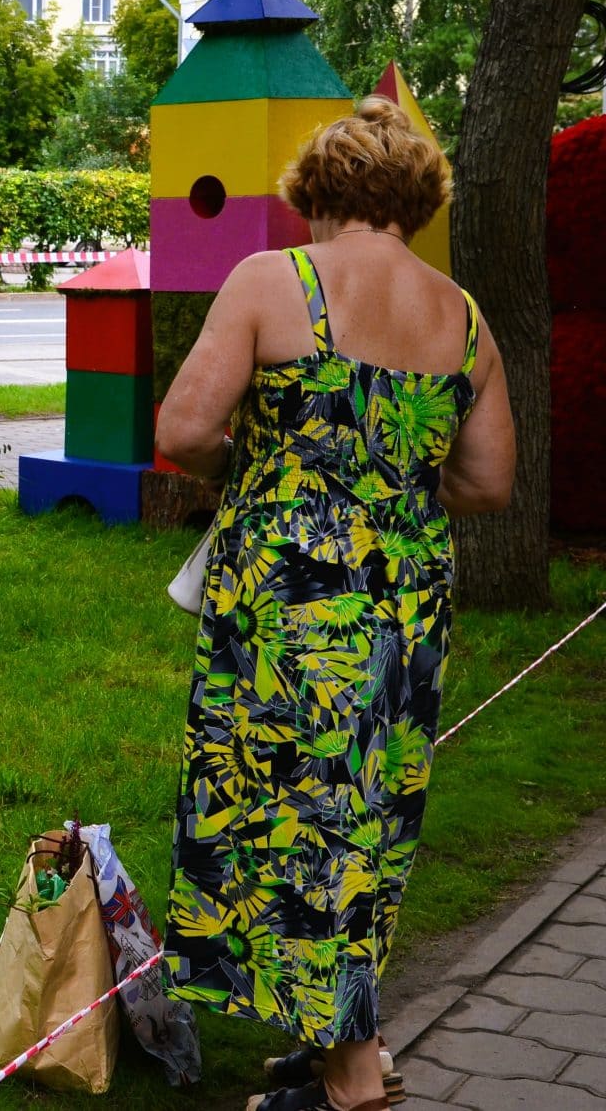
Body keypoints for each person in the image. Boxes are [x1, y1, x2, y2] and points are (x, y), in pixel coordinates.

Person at [156, 99, 515, 1111]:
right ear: (414, 201)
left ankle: (351, 1075)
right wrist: (384, 482)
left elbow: (182, 429)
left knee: (291, 817)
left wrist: (281, 471)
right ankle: (335, 1033)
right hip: (404, 605)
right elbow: (486, 485)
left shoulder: (273, 282)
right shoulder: (465, 316)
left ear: (314, 195)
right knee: (365, 814)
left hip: (287, 608)